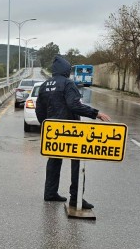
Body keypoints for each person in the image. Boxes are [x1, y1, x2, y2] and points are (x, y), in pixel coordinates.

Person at [35, 55, 111, 209]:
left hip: (54, 131)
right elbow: (74, 105)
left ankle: (50, 193)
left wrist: (46, 125)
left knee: (54, 161)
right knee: (77, 163)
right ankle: (76, 198)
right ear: (66, 70)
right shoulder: (68, 84)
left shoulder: (44, 86)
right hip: (71, 131)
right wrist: (95, 113)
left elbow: (39, 110)